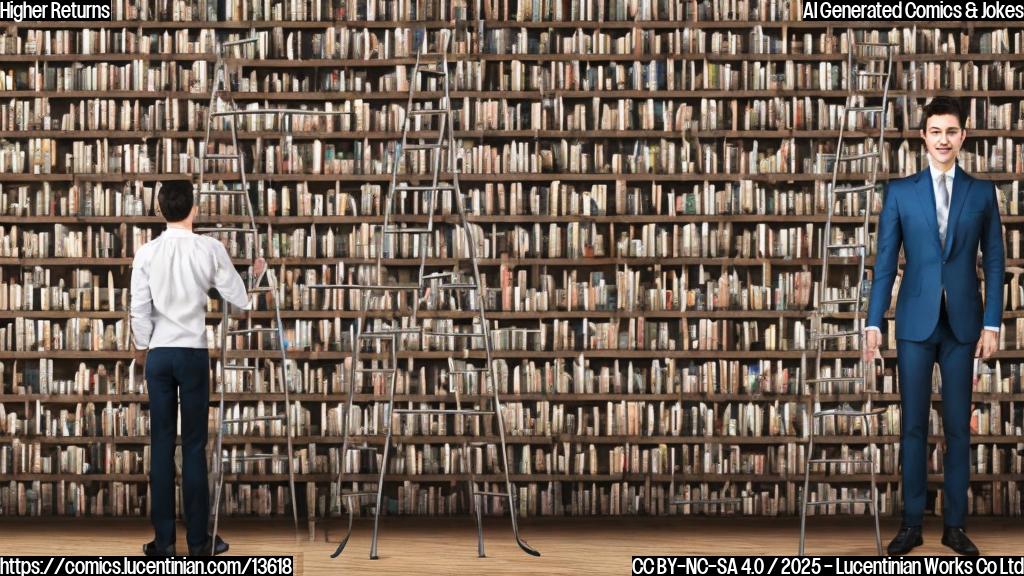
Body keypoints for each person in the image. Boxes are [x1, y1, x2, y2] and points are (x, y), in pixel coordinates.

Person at [864, 96, 1004, 556]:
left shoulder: (982, 193)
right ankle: (910, 524)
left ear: (964, 136)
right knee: (913, 427)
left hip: (964, 325)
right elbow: (885, 262)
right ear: (923, 136)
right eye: (935, 131)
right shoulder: (900, 192)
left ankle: (955, 526)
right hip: (914, 324)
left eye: (951, 131)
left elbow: (996, 263)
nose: (943, 139)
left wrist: (992, 324)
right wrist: (873, 322)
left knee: (960, 428)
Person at [130, 180, 266, 556]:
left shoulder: (146, 253)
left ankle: (163, 542)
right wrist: (255, 274)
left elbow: (138, 310)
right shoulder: (210, 249)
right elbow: (239, 299)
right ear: (194, 208)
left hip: (158, 354)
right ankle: (199, 543)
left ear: (160, 210)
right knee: (193, 448)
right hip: (192, 353)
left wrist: (143, 350)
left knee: (160, 446)